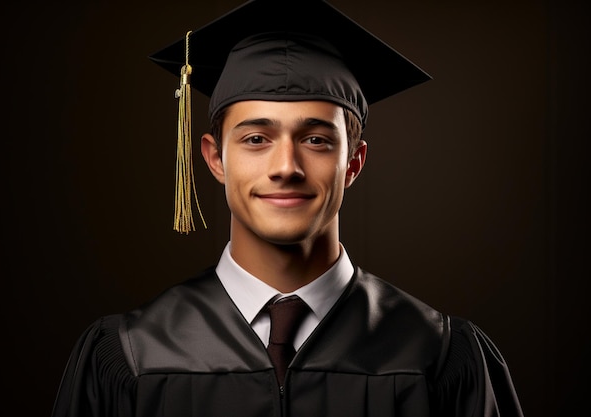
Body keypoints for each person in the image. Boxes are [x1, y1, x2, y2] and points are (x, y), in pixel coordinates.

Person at [52, 0, 524, 416]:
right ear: (216, 158)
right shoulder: (134, 354)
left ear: (353, 163)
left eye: (316, 140)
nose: (286, 166)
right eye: (256, 139)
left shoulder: (436, 355)